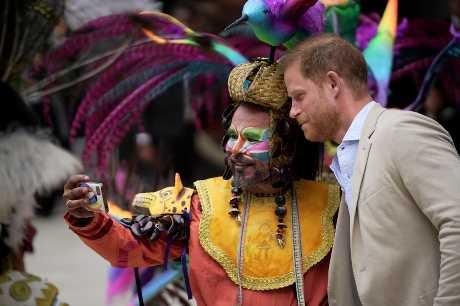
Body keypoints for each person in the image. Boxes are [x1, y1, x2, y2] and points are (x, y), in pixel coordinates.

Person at [62, 59, 340, 306]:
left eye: (253, 139)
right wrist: (89, 218)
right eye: (232, 136)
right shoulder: (200, 206)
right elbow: (128, 249)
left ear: (288, 146)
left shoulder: (334, 209)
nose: (235, 149)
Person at [281, 33, 460, 306]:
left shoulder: (400, 131)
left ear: (332, 83)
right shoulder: (350, 156)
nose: (293, 111)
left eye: (299, 96)